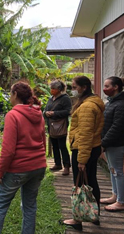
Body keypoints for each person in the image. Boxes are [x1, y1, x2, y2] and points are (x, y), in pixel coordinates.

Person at [0, 82, 46, 234]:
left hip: (18, 169)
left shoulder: (13, 115)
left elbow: (8, 151)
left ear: (15, 94)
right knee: (30, 206)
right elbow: (43, 141)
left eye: (10, 93)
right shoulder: (38, 113)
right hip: (38, 166)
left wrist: (0, 172)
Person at [63, 76, 104, 230]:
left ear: (84, 87)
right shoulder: (91, 102)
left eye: (75, 87)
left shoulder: (87, 107)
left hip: (83, 149)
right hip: (92, 148)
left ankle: (78, 220)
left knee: (80, 184)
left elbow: (85, 135)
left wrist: (81, 159)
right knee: (91, 182)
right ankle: (94, 215)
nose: (73, 89)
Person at [100, 76, 124, 212]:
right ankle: (115, 195)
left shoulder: (120, 104)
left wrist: (104, 142)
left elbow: (117, 127)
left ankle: (121, 201)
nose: (104, 89)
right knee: (112, 170)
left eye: (107, 86)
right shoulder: (110, 103)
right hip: (109, 143)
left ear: (116, 87)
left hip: (116, 143)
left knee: (118, 172)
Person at [44, 80, 72, 175]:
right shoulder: (50, 98)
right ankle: (57, 163)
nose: (51, 90)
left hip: (60, 125)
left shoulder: (65, 98)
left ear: (59, 89)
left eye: (53, 89)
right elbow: (45, 109)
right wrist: (46, 113)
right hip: (51, 125)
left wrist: (55, 113)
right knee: (54, 145)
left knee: (62, 146)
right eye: (51, 88)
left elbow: (68, 111)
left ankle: (67, 165)